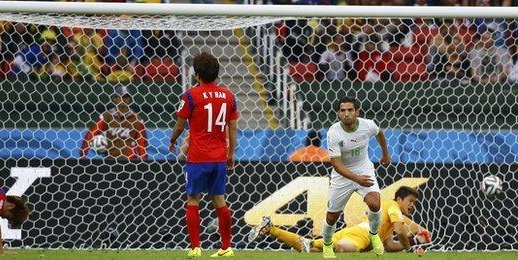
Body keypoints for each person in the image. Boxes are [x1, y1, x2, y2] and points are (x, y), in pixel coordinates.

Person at [169, 52, 238, 258]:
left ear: (197, 75)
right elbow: (232, 128)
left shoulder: (190, 95)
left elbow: (180, 124)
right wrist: (230, 154)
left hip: (198, 158)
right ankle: (226, 247)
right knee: (220, 201)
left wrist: (173, 140)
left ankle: (196, 247)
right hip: (219, 157)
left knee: (192, 199)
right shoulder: (228, 96)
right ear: (216, 74)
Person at [247, 186, 431, 254]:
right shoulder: (393, 206)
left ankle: (271, 229)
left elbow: (389, 245)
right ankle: (325, 244)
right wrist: (410, 250)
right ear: (400, 199)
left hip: (355, 231)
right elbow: (400, 231)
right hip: (362, 234)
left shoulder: (387, 215)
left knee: (309, 247)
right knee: (345, 249)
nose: (412, 205)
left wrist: (414, 241)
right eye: (411, 201)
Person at [321, 96, 391, 258]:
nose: (346, 114)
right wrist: (356, 179)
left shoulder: (368, 125)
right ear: (338, 114)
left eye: (350, 110)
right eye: (343, 110)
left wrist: (385, 154)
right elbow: (337, 165)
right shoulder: (334, 132)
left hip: (364, 168)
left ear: (357, 112)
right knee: (332, 217)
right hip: (342, 175)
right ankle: (327, 245)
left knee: (375, 203)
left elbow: (379, 133)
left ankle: (374, 235)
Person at [80, 86, 148, 160]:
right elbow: (91, 134)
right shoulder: (107, 116)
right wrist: (83, 155)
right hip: (110, 160)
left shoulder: (137, 119)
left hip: (130, 160)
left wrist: (144, 161)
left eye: (127, 97)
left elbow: (142, 143)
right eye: (121, 96)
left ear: (130, 99)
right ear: (114, 99)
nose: (124, 99)